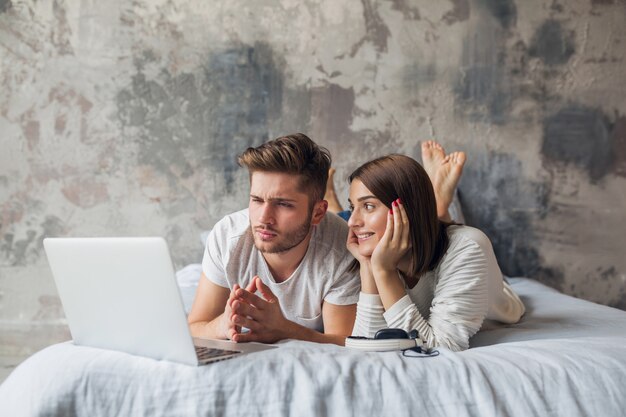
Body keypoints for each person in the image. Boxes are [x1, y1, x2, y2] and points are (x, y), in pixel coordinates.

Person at [333, 141, 524, 352]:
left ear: (407, 211)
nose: (353, 221)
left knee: (450, 240)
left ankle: (439, 204)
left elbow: (440, 348)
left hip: (490, 287)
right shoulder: (376, 251)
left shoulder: (469, 248)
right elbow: (367, 342)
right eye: (353, 206)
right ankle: (438, 205)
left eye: (368, 206)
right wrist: (368, 266)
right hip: (425, 235)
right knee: (338, 221)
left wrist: (384, 271)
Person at [187, 133, 359, 345]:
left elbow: (344, 342)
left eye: (283, 204)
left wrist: (284, 330)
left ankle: (333, 203)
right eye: (257, 200)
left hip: (328, 229)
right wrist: (223, 324)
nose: (263, 219)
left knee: (354, 222)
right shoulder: (227, 236)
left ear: (317, 213)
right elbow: (195, 327)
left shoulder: (343, 248)